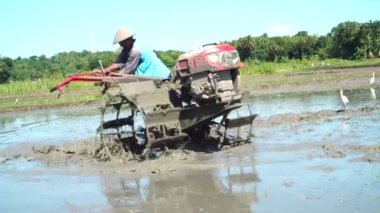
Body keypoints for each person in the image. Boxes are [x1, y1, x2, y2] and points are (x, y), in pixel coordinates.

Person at [95, 28, 170, 78]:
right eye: (120, 43)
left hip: (159, 76)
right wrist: (104, 71)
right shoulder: (126, 48)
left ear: (129, 40)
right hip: (150, 76)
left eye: (122, 42)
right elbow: (119, 63)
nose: (121, 45)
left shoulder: (135, 51)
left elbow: (127, 71)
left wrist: (110, 78)